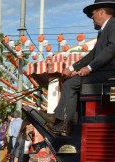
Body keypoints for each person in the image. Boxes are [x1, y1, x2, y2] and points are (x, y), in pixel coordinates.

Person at [45, 1, 115, 135]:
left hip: (109, 72)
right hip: (104, 71)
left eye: (92, 14)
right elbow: (93, 54)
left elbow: (112, 49)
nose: (92, 18)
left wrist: (90, 67)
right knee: (70, 82)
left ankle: (64, 123)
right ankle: (66, 121)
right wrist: (71, 67)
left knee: (70, 84)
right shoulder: (104, 30)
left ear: (101, 11)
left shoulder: (113, 24)